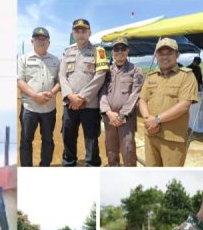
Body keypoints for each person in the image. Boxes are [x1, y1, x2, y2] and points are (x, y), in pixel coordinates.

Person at [139, 38, 199, 166]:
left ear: (177, 55)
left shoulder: (186, 76)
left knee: (171, 176)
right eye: (161, 53)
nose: (164, 57)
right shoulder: (151, 76)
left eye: (169, 53)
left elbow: (184, 105)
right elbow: (142, 99)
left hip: (172, 139)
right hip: (150, 135)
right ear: (156, 56)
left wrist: (156, 120)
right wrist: (147, 118)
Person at [59, 19, 109, 166]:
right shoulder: (68, 51)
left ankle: (92, 165)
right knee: (68, 137)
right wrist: (70, 96)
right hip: (70, 104)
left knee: (91, 140)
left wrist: (82, 97)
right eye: (77, 30)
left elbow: (100, 76)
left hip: (90, 105)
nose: (80, 33)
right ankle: (69, 163)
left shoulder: (98, 52)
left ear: (89, 32)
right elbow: (62, 76)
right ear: (73, 33)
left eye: (84, 30)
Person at [17, 27, 60, 167]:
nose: (41, 41)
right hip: (30, 108)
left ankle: (44, 166)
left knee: (48, 140)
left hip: (49, 108)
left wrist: (52, 93)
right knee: (26, 141)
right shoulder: (23, 59)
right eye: (38, 39)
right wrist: (34, 95)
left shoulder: (55, 60)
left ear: (49, 42)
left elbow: (60, 81)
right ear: (32, 41)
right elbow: (19, 80)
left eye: (44, 39)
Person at [98, 37, 144, 166]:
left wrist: (122, 115)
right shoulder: (106, 71)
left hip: (126, 119)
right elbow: (101, 92)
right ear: (112, 51)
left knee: (128, 149)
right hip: (109, 118)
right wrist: (108, 112)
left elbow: (136, 93)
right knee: (111, 150)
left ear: (127, 50)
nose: (119, 51)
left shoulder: (136, 70)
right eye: (116, 49)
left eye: (123, 48)